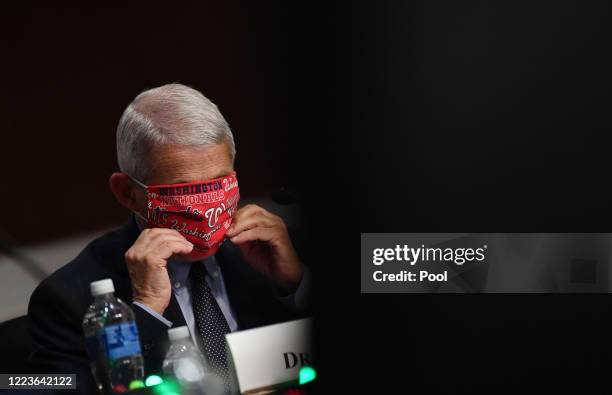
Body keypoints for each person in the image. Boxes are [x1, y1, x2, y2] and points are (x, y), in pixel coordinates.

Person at [27, 83, 311, 394]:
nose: (205, 214)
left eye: (218, 183)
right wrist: (145, 312)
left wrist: (297, 286)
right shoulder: (66, 299)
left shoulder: (283, 248)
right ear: (128, 193)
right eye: (185, 191)